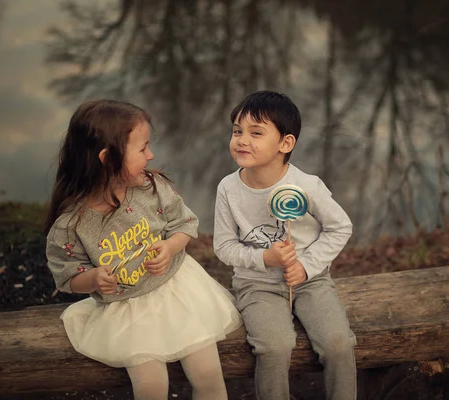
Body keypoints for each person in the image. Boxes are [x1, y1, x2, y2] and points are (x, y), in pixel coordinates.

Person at [45, 99, 242, 400]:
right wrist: (94, 278)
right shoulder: (72, 225)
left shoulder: (152, 187)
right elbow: (67, 275)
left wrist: (171, 245)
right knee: (151, 386)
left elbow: (185, 223)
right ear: (107, 158)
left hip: (179, 293)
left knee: (208, 374)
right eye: (142, 148)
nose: (151, 155)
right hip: (129, 311)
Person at [213, 91, 356, 400]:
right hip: (256, 284)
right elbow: (224, 247)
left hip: (310, 282)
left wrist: (306, 266)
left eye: (256, 132)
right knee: (275, 346)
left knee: (338, 343)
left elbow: (340, 227)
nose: (241, 140)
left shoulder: (307, 186)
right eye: (237, 131)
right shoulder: (228, 188)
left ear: (285, 143)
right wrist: (265, 257)